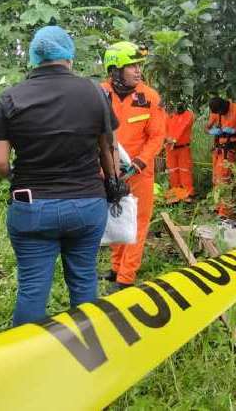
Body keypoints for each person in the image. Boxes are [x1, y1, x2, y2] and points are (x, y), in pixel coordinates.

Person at [0, 26, 123, 325]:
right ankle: (89, 351)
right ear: (69, 56)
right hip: (87, 204)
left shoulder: (10, 98)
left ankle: (27, 361)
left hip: (32, 206)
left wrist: (15, 177)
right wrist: (114, 184)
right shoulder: (94, 93)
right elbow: (108, 149)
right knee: (85, 281)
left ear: (35, 57)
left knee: (33, 289)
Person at [101, 41, 165, 291]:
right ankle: (116, 267)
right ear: (115, 69)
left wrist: (138, 163)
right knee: (116, 220)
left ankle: (126, 279)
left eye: (139, 65)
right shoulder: (100, 93)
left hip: (139, 172)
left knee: (137, 223)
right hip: (109, 170)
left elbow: (157, 136)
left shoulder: (149, 97)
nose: (138, 70)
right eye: (132, 66)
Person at [205, 97, 236, 216]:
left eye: (220, 112)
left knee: (224, 178)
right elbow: (206, 128)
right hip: (217, 148)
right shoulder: (216, 112)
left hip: (229, 149)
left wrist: (235, 130)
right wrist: (211, 131)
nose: (219, 115)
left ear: (225, 106)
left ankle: (225, 211)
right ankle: (217, 205)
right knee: (215, 178)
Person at [164, 101, 195, 202]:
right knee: (173, 171)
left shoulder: (188, 115)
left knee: (185, 170)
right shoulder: (168, 116)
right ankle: (176, 194)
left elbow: (182, 127)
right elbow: (162, 129)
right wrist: (165, 139)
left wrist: (172, 139)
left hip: (183, 148)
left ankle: (188, 194)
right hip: (170, 149)